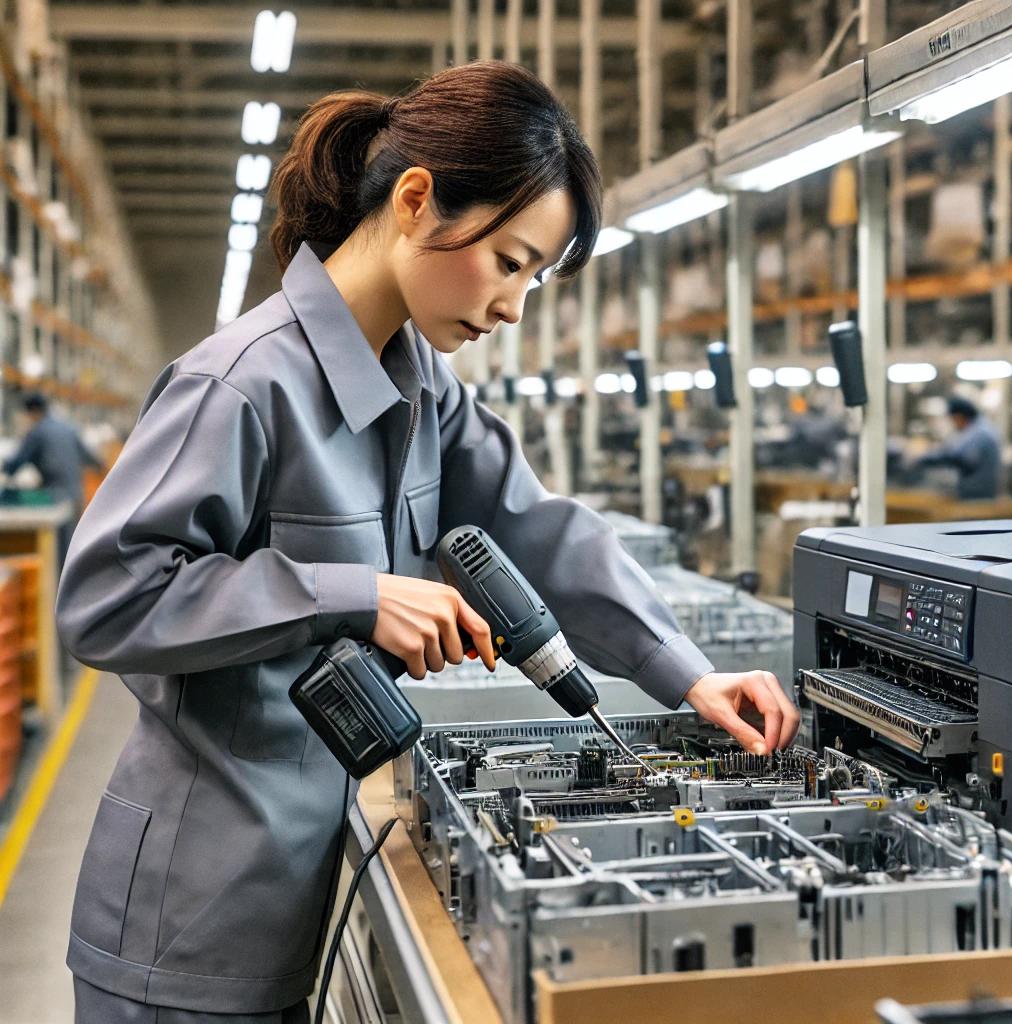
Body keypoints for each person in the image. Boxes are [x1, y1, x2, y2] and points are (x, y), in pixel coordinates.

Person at [55, 61, 800, 1023]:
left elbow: (534, 528)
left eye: (533, 277)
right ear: (416, 201)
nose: (514, 306)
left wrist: (689, 674)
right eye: (510, 262)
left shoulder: (422, 386)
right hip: (187, 919)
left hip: (295, 889)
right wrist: (358, 595)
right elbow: (108, 595)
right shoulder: (241, 384)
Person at [2, 391, 102, 569]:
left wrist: (5, 468)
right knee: (71, 546)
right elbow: (89, 457)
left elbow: (17, 462)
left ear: (32, 412)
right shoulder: (67, 427)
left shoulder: (38, 431)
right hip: (75, 493)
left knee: (56, 552)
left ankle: (56, 583)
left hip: (55, 497)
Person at [914, 394, 1001, 500]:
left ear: (959, 417)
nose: (953, 424)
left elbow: (960, 457)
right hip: (979, 492)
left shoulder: (980, 432)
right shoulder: (979, 427)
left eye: (953, 420)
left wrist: (925, 458)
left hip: (977, 495)